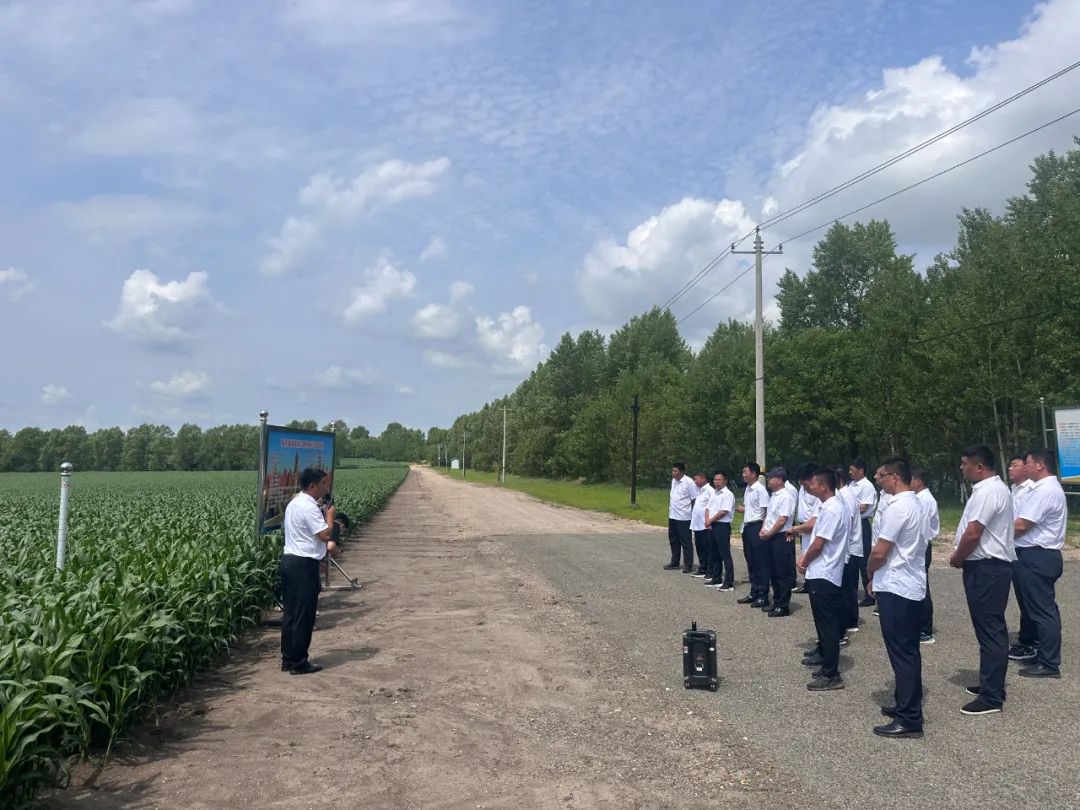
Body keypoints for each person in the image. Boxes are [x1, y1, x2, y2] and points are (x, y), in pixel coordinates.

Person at [949, 443, 1015, 716]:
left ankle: (991, 697)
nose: (962, 468)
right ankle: (991, 683)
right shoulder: (992, 489)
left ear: (979, 466)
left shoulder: (988, 491)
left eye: (965, 463)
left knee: (990, 629)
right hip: (988, 567)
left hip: (987, 567)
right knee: (988, 628)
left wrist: (957, 557)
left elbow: (974, 532)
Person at [867, 456, 930, 739]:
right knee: (908, 651)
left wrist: (869, 572)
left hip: (896, 585)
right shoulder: (916, 503)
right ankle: (906, 703)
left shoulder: (898, 507)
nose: (878, 480)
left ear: (895, 477)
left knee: (902, 653)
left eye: (881, 476)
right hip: (910, 583)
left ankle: (909, 718)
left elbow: (881, 551)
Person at [1010, 449, 1067, 678]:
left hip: (1037, 555)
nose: (1025, 467)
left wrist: (993, 532)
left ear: (1040, 465)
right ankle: (1040, 651)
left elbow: (1022, 524)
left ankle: (1049, 663)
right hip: (1035, 554)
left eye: (1028, 463)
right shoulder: (1043, 489)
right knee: (1034, 608)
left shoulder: (1045, 491)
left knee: (1043, 610)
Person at [797, 468, 849, 691]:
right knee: (822, 623)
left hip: (825, 572)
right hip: (822, 571)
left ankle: (831, 674)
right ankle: (826, 663)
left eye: (814, 484)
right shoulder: (827, 506)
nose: (810, 487)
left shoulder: (833, 509)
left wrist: (804, 561)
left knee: (828, 626)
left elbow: (818, 543)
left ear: (824, 486)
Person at [280, 467, 335, 675]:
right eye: (323, 484)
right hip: (303, 566)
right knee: (304, 615)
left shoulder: (294, 503)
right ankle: (299, 662)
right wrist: (330, 516)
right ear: (312, 486)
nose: (326, 488)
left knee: (291, 614)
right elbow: (324, 535)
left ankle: (288, 659)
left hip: (290, 561)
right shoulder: (309, 507)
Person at [760, 468, 796, 616]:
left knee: (782, 572)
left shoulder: (786, 496)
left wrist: (769, 533)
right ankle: (776, 601)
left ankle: (783, 605)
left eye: (771, 478)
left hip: (781, 536)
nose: (768, 481)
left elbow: (782, 519)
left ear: (779, 480)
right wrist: (763, 528)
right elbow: (769, 516)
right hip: (770, 535)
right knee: (773, 571)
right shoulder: (773, 496)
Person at [911, 470, 939, 645]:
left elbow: (921, 526)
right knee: (917, 583)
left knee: (922, 586)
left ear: (919, 481)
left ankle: (925, 629)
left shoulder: (925, 500)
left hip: (923, 545)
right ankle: (918, 624)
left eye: (911, 480)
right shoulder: (919, 498)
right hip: (919, 544)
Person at [736, 463, 770, 605]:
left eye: (745, 472)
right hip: (747, 527)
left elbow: (765, 511)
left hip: (757, 526)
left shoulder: (760, 490)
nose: (743, 475)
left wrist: (763, 529)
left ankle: (763, 594)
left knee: (760, 562)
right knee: (751, 561)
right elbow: (750, 508)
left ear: (754, 474)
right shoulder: (748, 489)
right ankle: (754, 591)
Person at [835, 465, 862, 636]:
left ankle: (851, 619)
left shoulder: (846, 496)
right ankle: (845, 617)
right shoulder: (842, 494)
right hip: (846, 547)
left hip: (851, 548)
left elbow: (848, 522)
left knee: (848, 586)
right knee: (844, 585)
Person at [848, 457, 879, 607]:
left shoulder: (867, 486)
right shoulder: (851, 484)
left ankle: (870, 594)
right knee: (852, 557)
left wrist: (846, 509)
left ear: (861, 471)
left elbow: (864, 507)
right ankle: (852, 591)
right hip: (851, 522)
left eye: (852, 470)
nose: (850, 473)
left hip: (862, 523)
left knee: (864, 559)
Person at [790, 463, 821, 595]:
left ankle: (813, 584)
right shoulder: (803, 489)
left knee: (811, 555)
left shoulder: (819, 495)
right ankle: (808, 583)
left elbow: (815, 520)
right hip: (803, 526)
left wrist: (795, 529)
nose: (804, 487)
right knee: (805, 553)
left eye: (805, 484)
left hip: (812, 527)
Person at [704, 470, 736, 591]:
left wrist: (711, 520)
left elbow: (724, 511)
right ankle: (716, 577)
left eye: (719, 480)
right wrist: (707, 521)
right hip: (712, 525)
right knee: (714, 553)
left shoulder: (728, 494)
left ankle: (729, 582)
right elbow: (708, 508)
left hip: (722, 526)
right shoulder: (713, 493)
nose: (717, 482)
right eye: (715, 479)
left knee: (724, 554)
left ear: (725, 481)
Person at [665, 462, 697, 572]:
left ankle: (688, 564)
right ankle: (675, 562)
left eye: (676, 471)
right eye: (673, 471)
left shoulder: (689, 482)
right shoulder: (674, 481)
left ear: (682, 472)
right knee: (673, 540)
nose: (673, 473)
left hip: (684, 516)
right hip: (673, 515)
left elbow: (694, 499)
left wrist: (692, 513)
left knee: (686, 541)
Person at [689, 471, 713, 577]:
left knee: (706, 548)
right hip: (697, 524)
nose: (695, 481)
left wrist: (709, 521)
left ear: (703, 479)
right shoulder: (699, 491)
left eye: (696, 479)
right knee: (699, 548)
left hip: (705, 525)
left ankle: (709, 569)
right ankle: (702, 567)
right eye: (694, 479)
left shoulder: (710, 491)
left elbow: (711, 507)